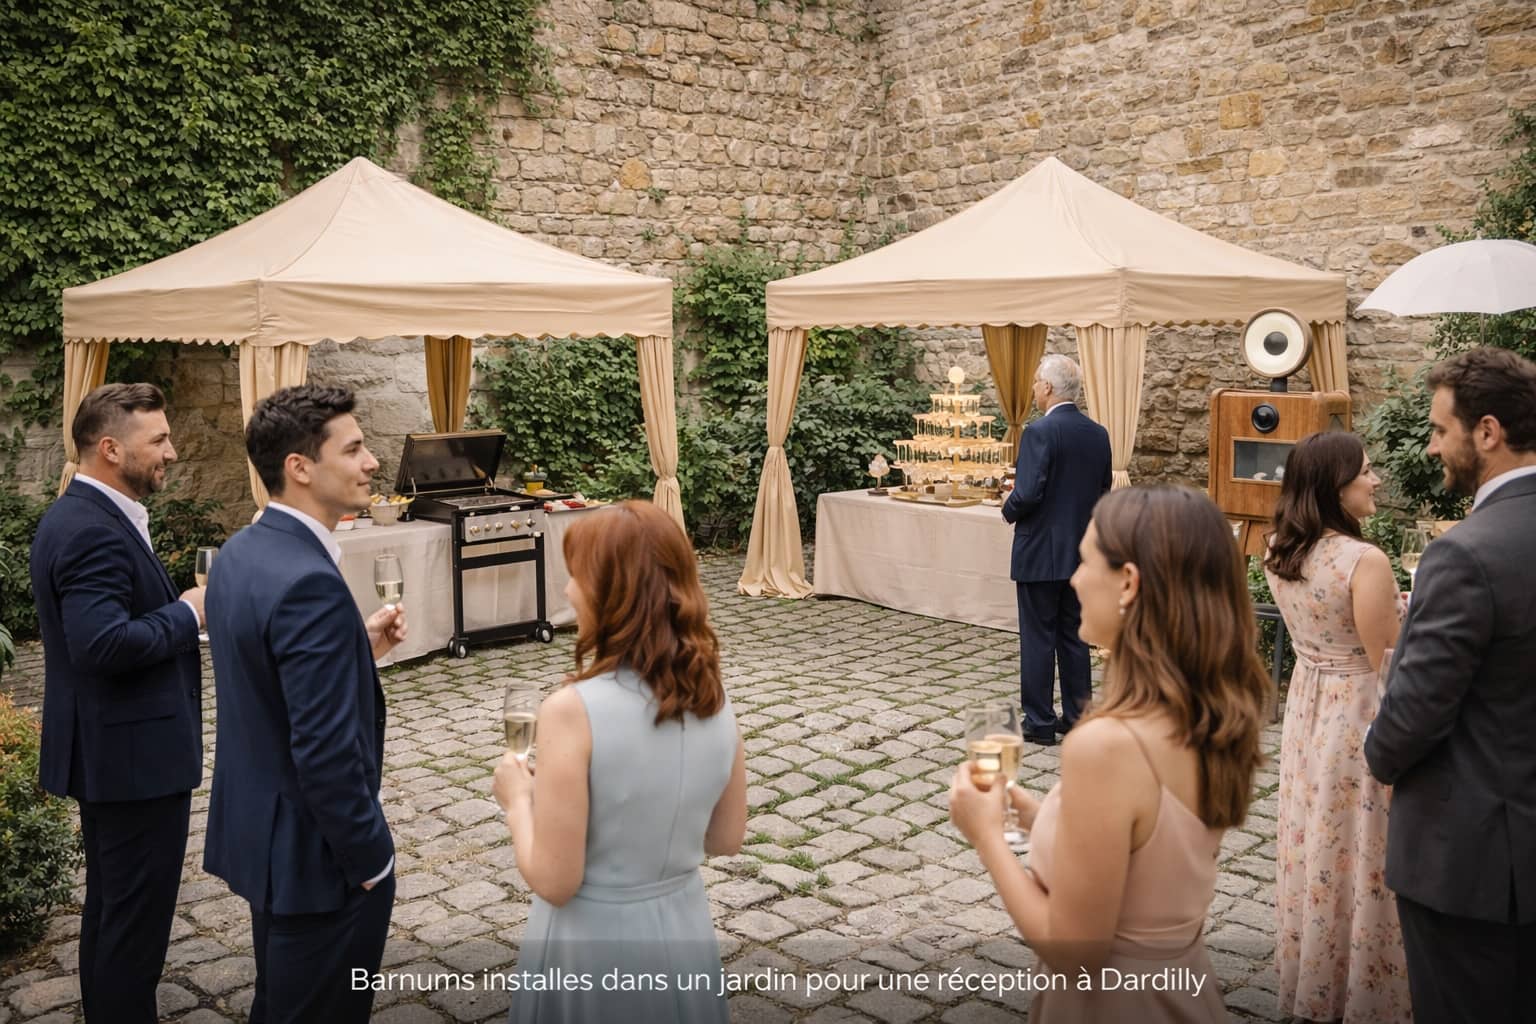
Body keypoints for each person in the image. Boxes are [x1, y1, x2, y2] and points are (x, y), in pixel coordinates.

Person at [952, 485, 1269, 1022]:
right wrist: (1036, 814)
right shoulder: (1210, 711)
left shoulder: (1106, 746)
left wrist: (986, 836)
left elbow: (1075, 953)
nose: (1073, 579)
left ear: (1128, 582)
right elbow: (1156, 850)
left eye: (1083, 559)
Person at [492, 500, 747, 1024]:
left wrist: (518, 801)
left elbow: (556, 880)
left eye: (577, 577)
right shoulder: (712, 695)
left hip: (592, 944)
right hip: (683, 931)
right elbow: (726, 839)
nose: (567, 591)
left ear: (613, 595)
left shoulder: (571, 710)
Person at [203, 385, 407, 1024]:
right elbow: (323, 753)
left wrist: (355, 646)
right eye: (354, 449)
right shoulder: (309, 580)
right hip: (319, 862)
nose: (372, 462)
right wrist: (373, 858)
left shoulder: (241, 552)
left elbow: (265, 681)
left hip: (266, 843)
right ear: (300, 468)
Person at [1365, 346, 1536, 1023]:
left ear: (1486, 432)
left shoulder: (1465, 553)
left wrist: (1379, 751)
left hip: (1474, 868)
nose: (1433, 448)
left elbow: (1410, 719)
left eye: (1440, 431)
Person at [30, 383, 206, 1023]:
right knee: (133, 928)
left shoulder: (82, 514)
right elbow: (100, 644)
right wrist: (186, 615)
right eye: (157, 440)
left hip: (114, 752)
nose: (173, 451)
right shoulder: (91, 531)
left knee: (112, 913)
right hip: (132, 761)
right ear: (110, 449)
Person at [1264, 430, 1409, 1022]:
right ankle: (1368, 991)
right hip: (1357, 711)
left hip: (1309, 709)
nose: (1376, 481)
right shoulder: (1362, 559)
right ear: (1335, 485)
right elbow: (1391, 661)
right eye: (1366, 472)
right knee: (1365, 847)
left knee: (1319, 842)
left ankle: (1317, 980)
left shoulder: (1280, 547)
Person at [1002, 353, 1112, 744]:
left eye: (1035, 383)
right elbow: (1103, 493)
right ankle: (1078, 717)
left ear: (1047, 388)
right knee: (1074, 635)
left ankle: (1040, 722)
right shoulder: (1098, 434)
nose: (1033, 389)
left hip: (1038, 552)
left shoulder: (1038, 432)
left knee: (1037, 637)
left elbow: (1028, 493)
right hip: (1081, 553)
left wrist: (1008, 505)